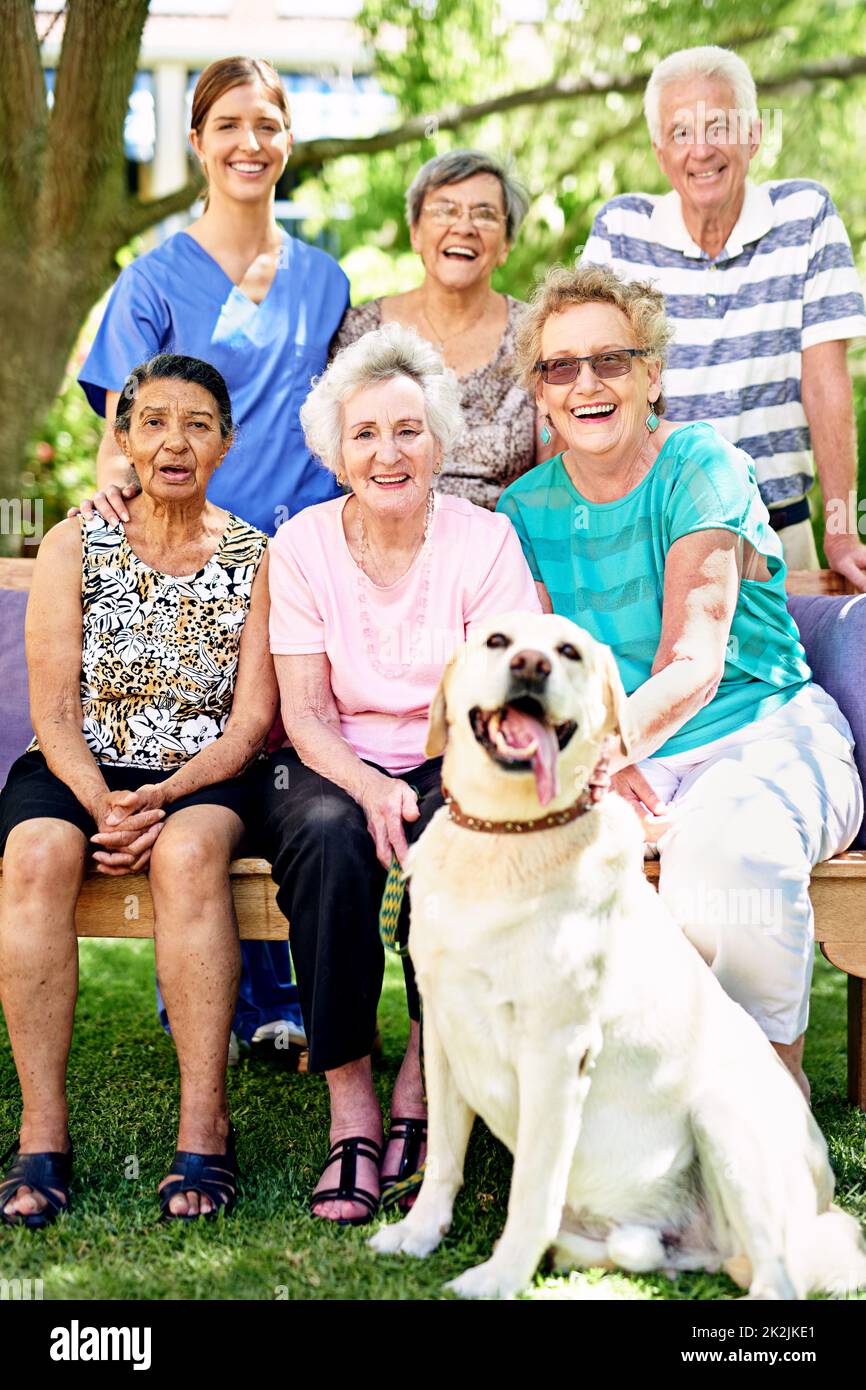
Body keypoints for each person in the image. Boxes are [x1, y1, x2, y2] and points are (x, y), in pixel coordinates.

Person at [497, 263, 863, 1102]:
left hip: (762, 732)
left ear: (652, 374)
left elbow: (693, 665)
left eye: (611, 360)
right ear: (542, 395)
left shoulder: (703, 467)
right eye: (561, 367)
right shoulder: (522, 512)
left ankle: (768, 1093)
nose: (586, 383)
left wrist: (603, 751)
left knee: (727, 849)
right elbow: (548, 672)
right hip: (627, 753)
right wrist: (601, 765)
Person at [74, 56, 350, 1052]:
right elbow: (122, 429)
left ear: (286, 140)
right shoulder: (152, 279)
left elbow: (341, 415)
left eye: (267, 124)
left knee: (278, 763)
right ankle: (204, 990)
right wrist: (112, 482)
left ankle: (275, 1000)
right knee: (198, 760)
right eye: (227, 123)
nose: (249, 142)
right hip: (186, 564)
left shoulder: (326, 279)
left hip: (300, 559)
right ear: (195, 140)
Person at [259, 324, 542, 1223]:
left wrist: (425, 787)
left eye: (408, 431)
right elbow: (302, 713)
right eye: (366, 434)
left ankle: (420, 1083)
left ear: (440, 442)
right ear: (337, 451)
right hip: (332, 756)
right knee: (328, 837)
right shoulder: (300, 545)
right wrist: (371, 785)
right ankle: (351, 1107)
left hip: (453, 749)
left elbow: (499, 696)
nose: (389, 452)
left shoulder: (484, 540)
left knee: (451, 835)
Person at [0, 355, 276, 1225]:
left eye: (197, 424)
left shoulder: (258, 556)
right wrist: (100, 801)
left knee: (191, 853)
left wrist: (160, 798)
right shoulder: (74, 543)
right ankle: (43, 1134)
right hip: (78, 766)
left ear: (225, 445)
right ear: (121, 440)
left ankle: (206, 1127)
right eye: (152, 421)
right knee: (36, 852)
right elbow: (53, 704)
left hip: (204, 775)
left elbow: (249, 726)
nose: (174, 441)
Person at [582, 44, 866, 588]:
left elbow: (826, 381)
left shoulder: (805, 216)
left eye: (719, 125)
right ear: (660, 150)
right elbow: (587, 386)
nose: (701, 148)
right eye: (681, 132)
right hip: (652, 535)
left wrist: (843, 529)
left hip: (781, 531)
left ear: (754, 135)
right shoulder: (621, 229)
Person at [334, 149, 551, 509]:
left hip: (499, 550)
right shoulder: (358, 332)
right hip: (374, 545)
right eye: (445, 210)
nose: (463, 227)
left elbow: (555, 477)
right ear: (416, 233)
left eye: (484, 214)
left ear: (506, 245)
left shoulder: (538, 336)